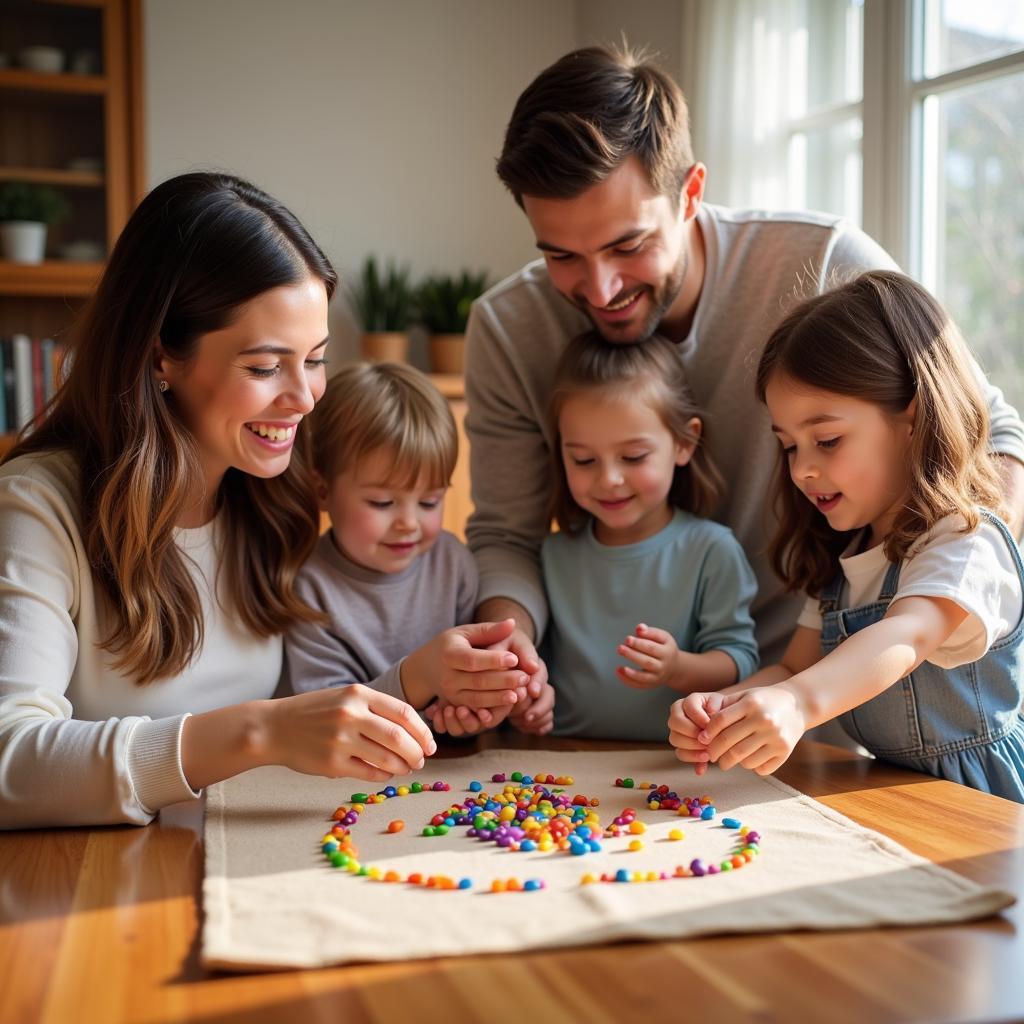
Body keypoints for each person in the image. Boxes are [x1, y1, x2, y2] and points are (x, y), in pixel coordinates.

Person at [451, 44, 1024, 709]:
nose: (600, 287)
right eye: (561, 256)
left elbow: (994, 437)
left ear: (690, 192)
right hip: (632, 717)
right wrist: (511, 643)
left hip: (832, 693)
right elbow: (506, 536)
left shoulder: (824, 261)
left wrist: (944, 582)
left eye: (627, 246)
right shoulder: (506, 326)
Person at [0, 172, 438, 831]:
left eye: (315, 359)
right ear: (160, 360)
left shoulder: (269, 501)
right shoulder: (38, 509)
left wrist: (412, 683)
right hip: (99, 894)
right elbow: (9, 760)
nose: (305, 396)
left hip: (241, 864)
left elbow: (298, 732)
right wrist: (257, 732)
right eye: (264, 367)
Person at [668, 271, 1024, 802]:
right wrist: (724, 707)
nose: (802, 470)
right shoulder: (847, 558)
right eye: (789, 446)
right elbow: (793, 667)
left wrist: (799, 704)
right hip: (897, 801)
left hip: (986, 810)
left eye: (827, 440)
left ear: (912, 416)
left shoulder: (963, 540)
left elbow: (907, 634)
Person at [285, 361, 555, 735]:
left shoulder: (453, 563)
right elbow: (327, 718)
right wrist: (422, 684)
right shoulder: (310, 588)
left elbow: (473, 686)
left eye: (429, 502)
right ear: (323, 490)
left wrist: (509, 697)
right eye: (382, 503)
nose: (408, 523)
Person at [541, 331, 758, 740]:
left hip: (672, 767)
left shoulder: (712, 551)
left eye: (633, 456)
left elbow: (738, 661)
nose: (609, 479)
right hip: (565, 763)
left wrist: (678, 668)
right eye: (583, 459)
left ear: (684, 442)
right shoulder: (552, 554)